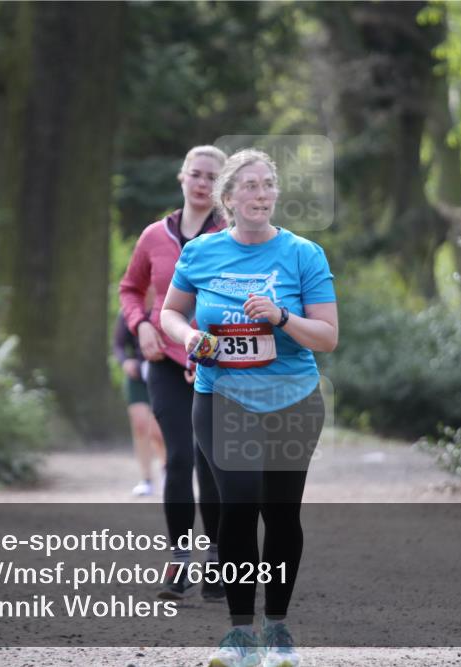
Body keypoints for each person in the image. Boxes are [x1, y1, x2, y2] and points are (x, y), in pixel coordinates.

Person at [161, 149, 338, 667]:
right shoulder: (201, 253)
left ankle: (277, 629)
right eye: (250, 186)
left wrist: (281, 317)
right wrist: (189, 336)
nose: (261, 194)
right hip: (222, 397)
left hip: (292, 400)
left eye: (267, 185)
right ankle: (239, 633)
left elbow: (327, 337)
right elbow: (170, 313)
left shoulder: (304, 254)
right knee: (238, 504)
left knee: (281, 513)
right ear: (229, 198)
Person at [119, 145, 228, 601]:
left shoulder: (232, 237)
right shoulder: (153, 236)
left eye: (212, 177)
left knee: (213, 463)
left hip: (218, 365)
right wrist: (141, 325)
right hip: (165, 363)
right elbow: (131, 289)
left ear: (222, 187)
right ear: (182, 177)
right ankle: (179, 559)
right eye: (196, 174)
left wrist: (208, 347)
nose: (202, 183)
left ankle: (219, 559)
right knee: (179, 458)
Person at [112, 309, 165, 496]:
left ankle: (166, 469)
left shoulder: (165, 306)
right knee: (140, 425)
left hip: (162, 373)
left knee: (158, 431)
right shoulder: (128, 311)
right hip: (137, 375)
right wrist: (125, 362)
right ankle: (146, 479)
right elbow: (118, 345)